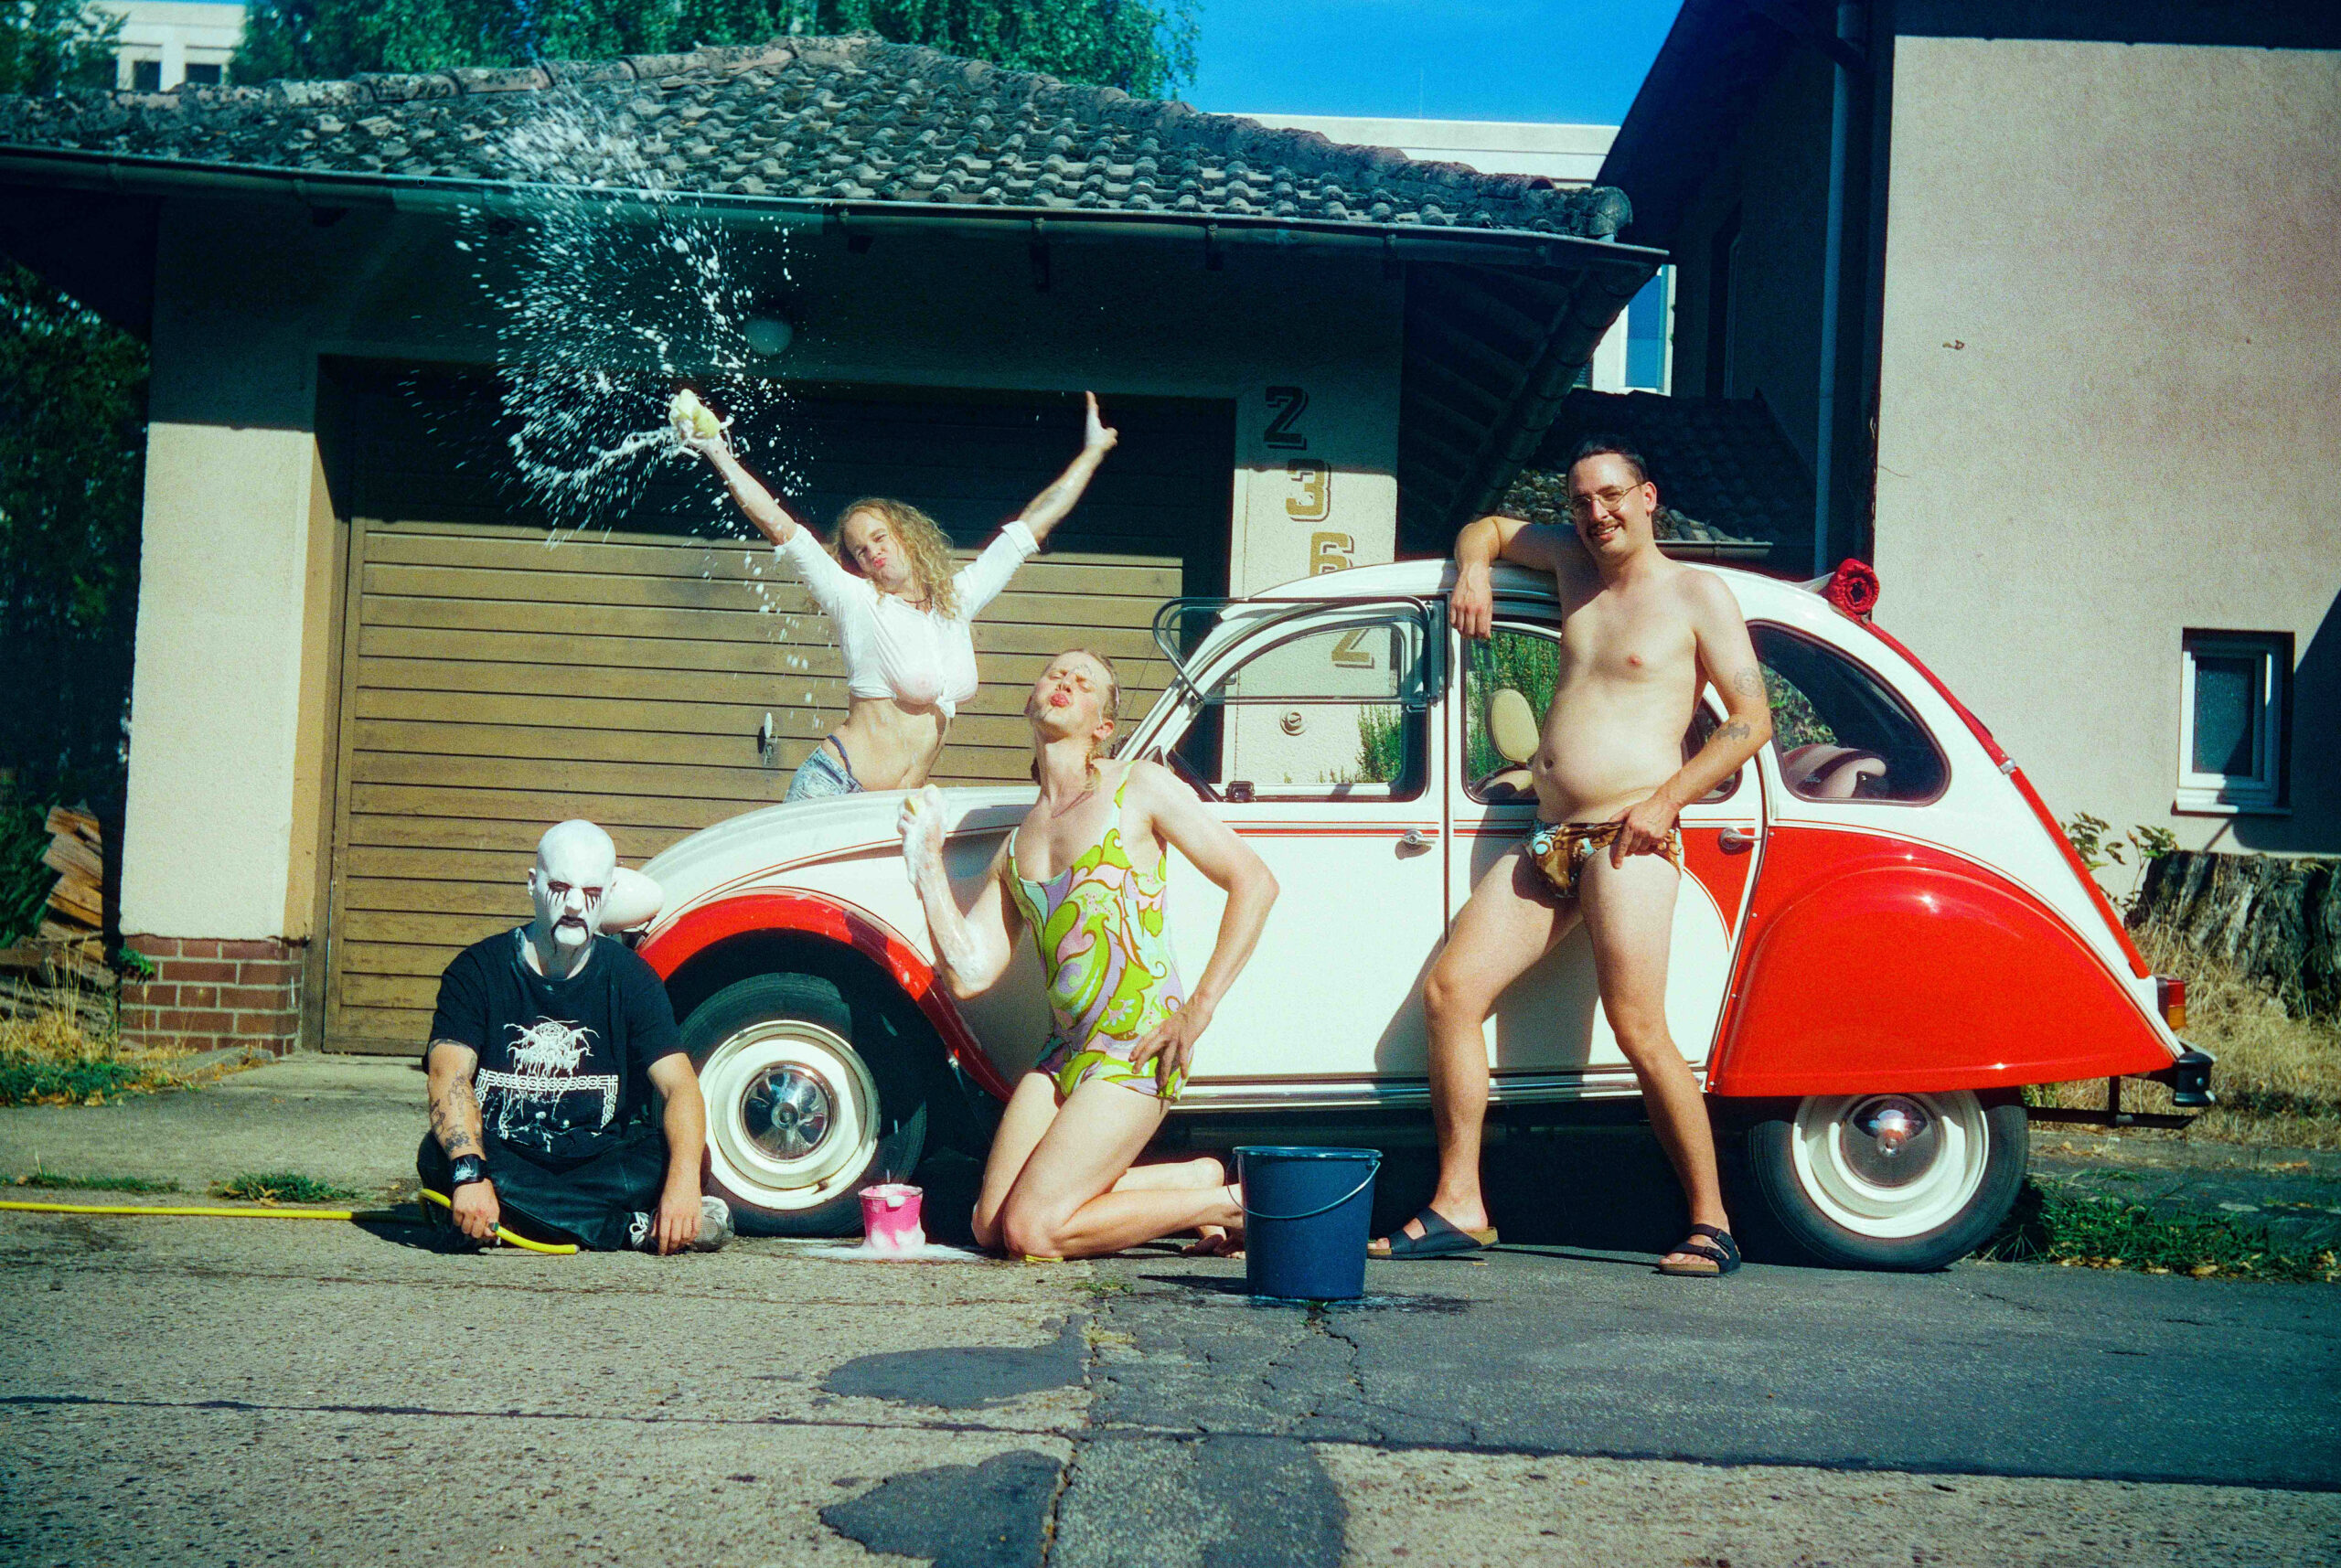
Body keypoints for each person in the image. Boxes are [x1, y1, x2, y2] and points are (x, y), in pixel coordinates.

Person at [1372, 438, 1774, 1277]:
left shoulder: (1696, 594)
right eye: (1582, 500)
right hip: (1550, 835)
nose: (1597, 513)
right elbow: (1487, 527)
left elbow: (1750, 721)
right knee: (1451, 993)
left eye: (1613, 495)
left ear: (1648, 496)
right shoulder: (1569, 563)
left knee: (1639, 1026)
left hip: (1632, 836)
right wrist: (1473, 571)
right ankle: (1460, 1203)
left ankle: (1712, 1222)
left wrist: (1665, 800)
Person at [897, 649, 1279, 1260]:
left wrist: (1197, 1011)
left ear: (1103, 726)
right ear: (1031, 700)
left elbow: (1254, 882)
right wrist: (927, 866)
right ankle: (1191, 1180)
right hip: (1066, 1053)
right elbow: (970, 974)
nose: (1065, 682)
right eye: (1055, 673)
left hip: (1138, 1047)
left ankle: (1228, 1204)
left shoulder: (1139, 787)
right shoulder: (1014, 847)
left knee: (1032, 1231)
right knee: (990, 1226)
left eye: (1084, 682)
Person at [683, 392, 1120, 799]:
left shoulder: (956, 599)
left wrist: (1092, 453)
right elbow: (782, 528)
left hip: (896, 804)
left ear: (907, 536)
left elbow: (1031, 526)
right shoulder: (856, 600)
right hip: (834, 787)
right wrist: (716, 451)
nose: (872, 551)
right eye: (860, 550)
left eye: (879, 537)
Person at [419, 819, 732, 1254]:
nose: (573, 906)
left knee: (683, 1156)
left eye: (591, 892)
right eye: (559, 887)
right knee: (440, 1156)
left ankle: (514, 1220)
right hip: (505, 1155)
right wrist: (470, 1175)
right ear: (533, 883)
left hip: (598, 1162)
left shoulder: (632, 978)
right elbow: (447, 1074)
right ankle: (626, 1229)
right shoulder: (477, 971)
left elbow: (680, 1086)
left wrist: (681, 1186)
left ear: (609, 894)